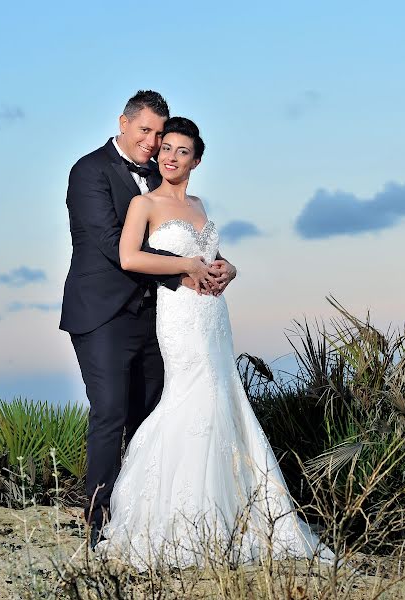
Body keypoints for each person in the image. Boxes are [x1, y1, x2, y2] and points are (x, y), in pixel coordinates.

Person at [100, 116, 332, 568]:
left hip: (214, 315)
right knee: (191, 399)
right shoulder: (144, 205)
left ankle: (230, 514)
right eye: (165, 148)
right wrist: (186, 265)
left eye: (181, 151)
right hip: (181, 315)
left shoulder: (201, 206)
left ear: (196, 160)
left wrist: (231, 268)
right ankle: (178, 516)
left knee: (223, 399)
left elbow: (212, 258)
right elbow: (130, 257)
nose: (169, 156)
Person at [59, 92, 237, 544]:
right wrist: (186, 271)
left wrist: (220, 264)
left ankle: (148, 518)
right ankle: (98, 525)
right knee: (110, 413)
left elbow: (183, 237)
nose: (154, 144)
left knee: (154, 416)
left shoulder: (165, 183)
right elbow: (112, 242)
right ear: (123, 123)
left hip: (158, 317)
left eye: (161, 135)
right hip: (102, 314)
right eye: (146, 132)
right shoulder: (89, 171)